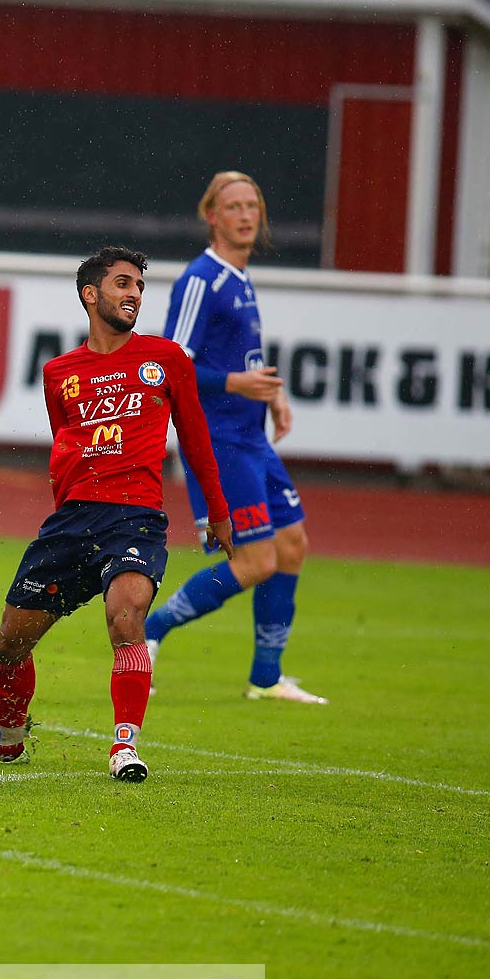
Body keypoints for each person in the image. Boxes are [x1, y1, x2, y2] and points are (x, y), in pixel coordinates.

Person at [0, 246, 233, 782]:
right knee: (9, 642)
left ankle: (124, 747)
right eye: (123, 284)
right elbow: (66, 448)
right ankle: (7, 743)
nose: (135, 295)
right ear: (90, 294)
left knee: (126, 617)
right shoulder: (59, 373)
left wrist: (217, 512)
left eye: (139, 287)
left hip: (136, 517)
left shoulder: (166, 360)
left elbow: (195, 440)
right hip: (72, 523)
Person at [144, 172, 326, 703]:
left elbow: (239, 360)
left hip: (252, 436)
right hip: (219, 441)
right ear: (214, 217)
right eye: (234, 206)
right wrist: (234, 384)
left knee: (292, 545)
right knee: (256, 562)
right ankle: (151, 631)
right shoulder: (203, 279)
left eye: (253, 206)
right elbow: (168, 363)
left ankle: (266, 677)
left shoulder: (241, 279)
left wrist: (270, 393)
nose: (246, 215)